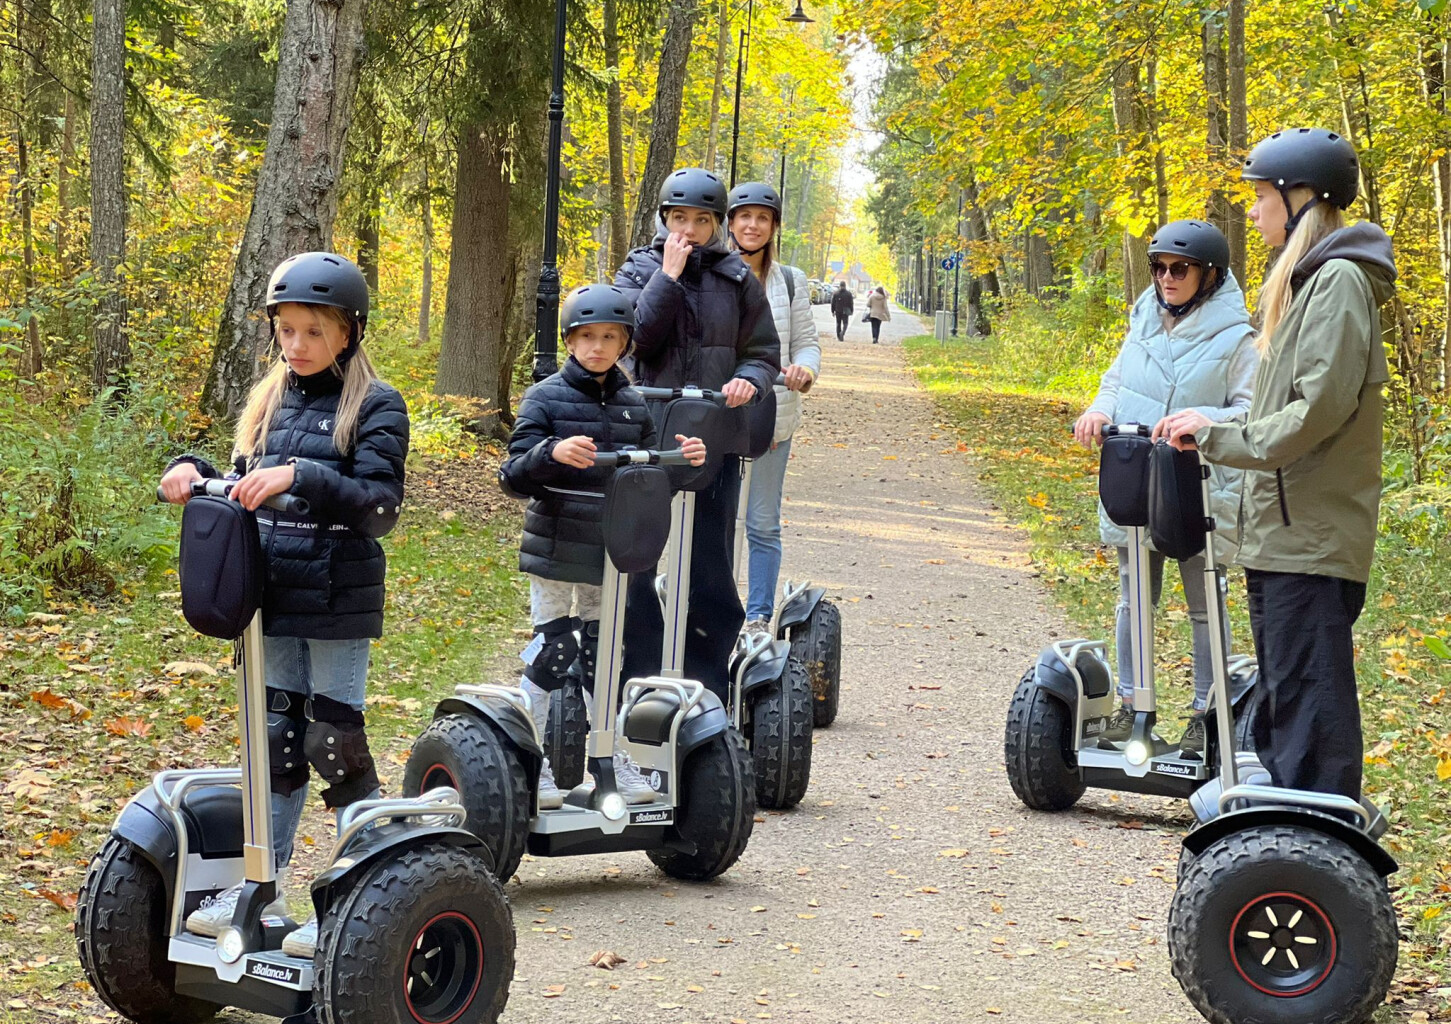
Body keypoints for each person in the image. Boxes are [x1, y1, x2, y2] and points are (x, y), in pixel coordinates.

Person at [159, 252, 407, 958]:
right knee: (277, 747)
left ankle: (357, 898)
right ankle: (258, 888)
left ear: (348, 334)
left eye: (312, 332)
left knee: (335, 745)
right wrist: (192, 469)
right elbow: (243, 479)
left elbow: (379, 506)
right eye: (287, 330)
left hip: (335, 598)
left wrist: (303, 475)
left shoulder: (377, 403)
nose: (296, 345)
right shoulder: (273, 396)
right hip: (271, 599)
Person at [1156, 128, 1396, 802]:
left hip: (1310, 541)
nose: (1254, 212)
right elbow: (1282, 408)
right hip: (1283, 537)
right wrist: (1212, 422)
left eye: (1263, 198)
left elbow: (1316, 412)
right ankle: (1291, 856)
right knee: (1288, 711)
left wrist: (1218, 441)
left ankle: (1314, 870)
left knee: (1310, 725)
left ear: (1301, 200)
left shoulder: (1337, 282)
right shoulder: (1306, 284)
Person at [499, 284, 707, 809]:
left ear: (624, 344)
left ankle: (610, 760)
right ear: (569, 340)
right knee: (554, 650)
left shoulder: (631, 403)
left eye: (609, 337)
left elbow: (648, 480)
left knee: (600, 659)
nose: (597, 347)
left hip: (608, 556)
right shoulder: (544, 398)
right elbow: (513, 475)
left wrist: (684, 462)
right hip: (555, 550)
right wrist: (552, 453)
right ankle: (533, 763)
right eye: (587, 337)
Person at [1073, 221, 1256, 757]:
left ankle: (1206, 716)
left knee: (1205, 601)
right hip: (1136, 476)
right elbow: (1118, 379)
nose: (1167, 278)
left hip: (1199, 485)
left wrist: (1205, 420)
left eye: (1180, 269)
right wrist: (1099, 408)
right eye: (1159, 267)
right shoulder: (1144, 319)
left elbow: (1252, 412)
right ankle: (1136, 708)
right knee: (1133, 597)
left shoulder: (1237, 338)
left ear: (1210, 274)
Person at [614, 167, 781, 700]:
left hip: (714, 438)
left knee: (709, 565)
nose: (689, 229)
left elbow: (763, 353)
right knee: (636, 561)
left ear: (716, 225)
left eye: (701, 220)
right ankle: (635, 675)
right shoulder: (639, 268)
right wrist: (667, 275)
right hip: (648, 434)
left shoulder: (736, 279)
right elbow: (634, 339)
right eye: (678, 218)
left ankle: (704, 682)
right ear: (664, 220)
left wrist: (746, 381)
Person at [726, 181, 823, 635]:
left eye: (762, 218)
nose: (752, 225)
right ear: (729, 222)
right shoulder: (714, 274)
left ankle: (757, 616)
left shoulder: (790, 280)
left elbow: (805, 344)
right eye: (744, 216)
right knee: (717, 521)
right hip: (717, 417)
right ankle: (714, 608)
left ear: (774, 227)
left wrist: (804, 370)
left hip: (773, 415)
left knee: (762, 522)